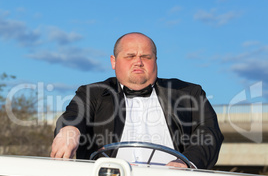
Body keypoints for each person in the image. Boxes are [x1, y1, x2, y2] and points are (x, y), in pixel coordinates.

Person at [51, 32, 223, 169]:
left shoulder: (190, 93)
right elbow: (74, 115)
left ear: (155, 61)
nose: (138, 62)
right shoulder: (92, 93)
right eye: (130, 56)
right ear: (113, 61)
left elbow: (209, 132)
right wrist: (70, 130)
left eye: (146, 57)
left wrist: (185, 162)